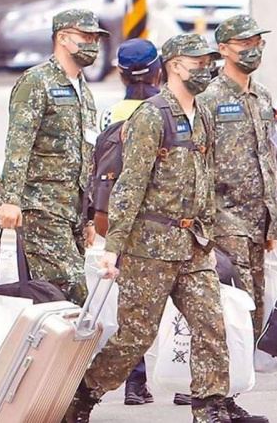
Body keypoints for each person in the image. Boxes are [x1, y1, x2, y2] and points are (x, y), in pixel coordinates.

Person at [66, 33, 230, 423]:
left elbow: (205, 176)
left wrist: (210, 228)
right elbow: (130, 184)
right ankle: (83, 396)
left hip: (193, 245)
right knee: (134, 338)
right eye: (198, 63)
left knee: (210, 324)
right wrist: (114, 247)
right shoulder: (150, 116)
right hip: (149, 248)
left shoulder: (203, 114)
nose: (205, 70)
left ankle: (208, 407)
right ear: (174, 66)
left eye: (209, 62)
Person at [0, 9, 107, 304]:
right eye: (85, 37)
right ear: (62, 38)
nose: (93, 44)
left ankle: (53, 352)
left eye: (95, 38)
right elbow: (19, 143)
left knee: (56, 299)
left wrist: (87, 215)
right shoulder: (37, 82)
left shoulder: (83, 90)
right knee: (73, 290)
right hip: (42, 207)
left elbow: (87, 153)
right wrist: (10, 199)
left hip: (71, 208)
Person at [198, 14, 277, 422]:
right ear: (224, 49)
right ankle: (212, 403)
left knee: (251, 315)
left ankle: (226, 397)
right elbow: (199, 163)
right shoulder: (208, 98)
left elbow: (268, 158)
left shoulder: (261, 96)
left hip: (256, 222)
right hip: (223, 220)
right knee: (227, 313)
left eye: (258, 41)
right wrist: (205, 227)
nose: (254, 49)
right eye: (244, 43)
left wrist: (273, 222)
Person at [92, 38, 163, 407]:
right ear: (159, 69)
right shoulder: (166, 110)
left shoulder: (110, 114)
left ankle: (135, 382)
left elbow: (97, 165)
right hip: (160, 219)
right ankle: (188, 380)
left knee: (131, 305)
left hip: (119, 218)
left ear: (120, 74)